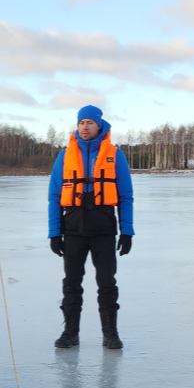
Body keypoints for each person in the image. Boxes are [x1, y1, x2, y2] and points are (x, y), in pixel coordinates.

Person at [47, 105, 134, 350]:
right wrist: (54, 233)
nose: (85, 127)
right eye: (81, 122)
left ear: (99, 125)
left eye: (90, 122)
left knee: (107, 283)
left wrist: (127, 232)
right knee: (71, 283)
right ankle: (70, 333)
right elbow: (54, 197)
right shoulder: (64, 156)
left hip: (103, 229)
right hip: (73, 229)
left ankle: (111, 334)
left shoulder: (115, 155)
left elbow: (126, 196)